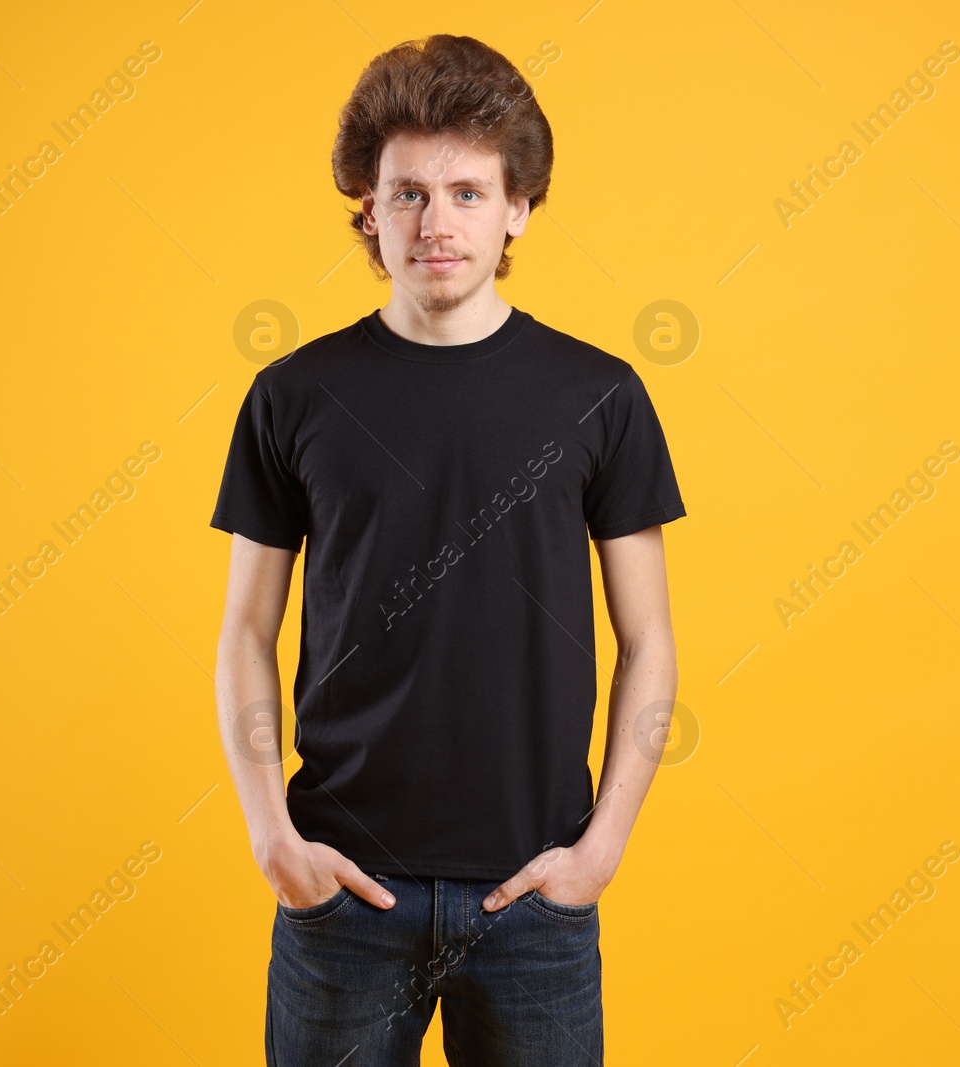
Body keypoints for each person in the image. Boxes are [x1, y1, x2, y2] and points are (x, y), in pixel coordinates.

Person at [211, 33, 687, 1066]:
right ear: (368, 210)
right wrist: (271, 836)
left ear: (518, 208)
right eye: (409, 193)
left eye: (469, 193)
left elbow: (649, 641)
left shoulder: (599, 397)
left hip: (533, 903)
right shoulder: (293, 396)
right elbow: (246, 630)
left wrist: (597, 851)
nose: (437, 224)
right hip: (344, 897)